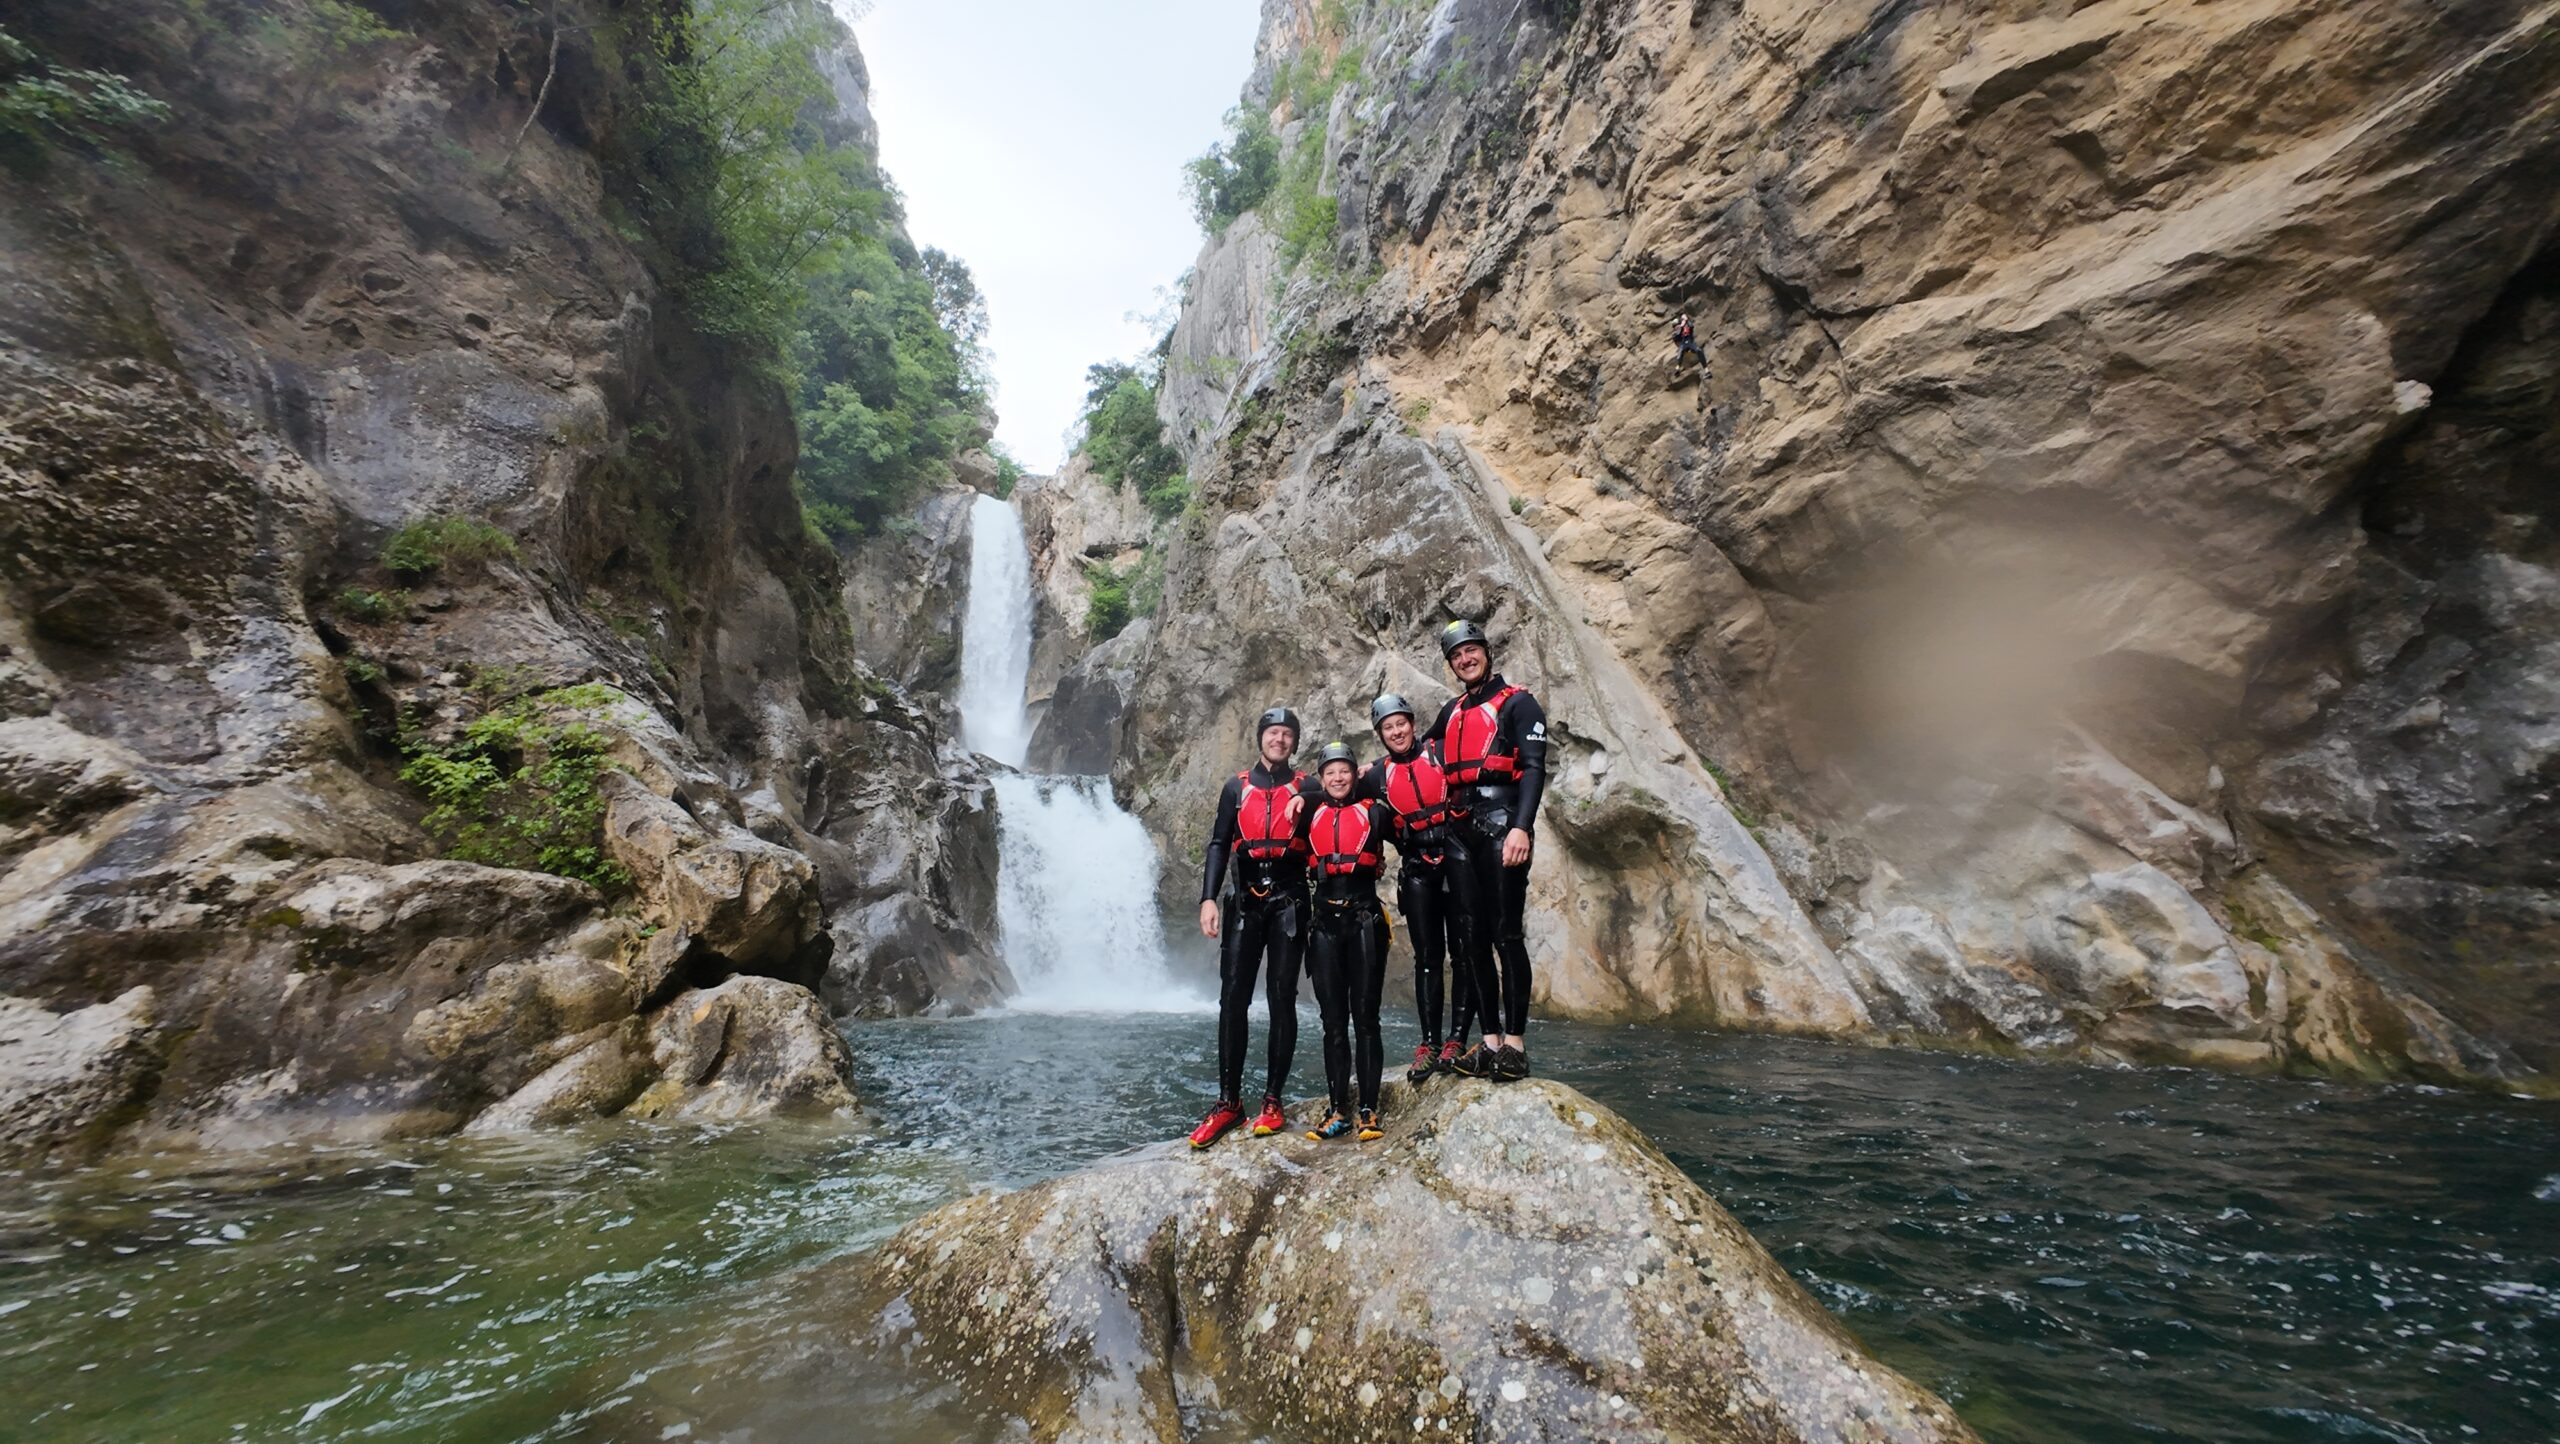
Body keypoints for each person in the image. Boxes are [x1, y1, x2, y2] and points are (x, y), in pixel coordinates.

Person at [1425, 620, 1549, 1082]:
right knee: (1471, 939)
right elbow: (1417, 754)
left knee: (1505, 934)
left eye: (1471, 650)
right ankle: (1490, 1041)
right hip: (1459, 831)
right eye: (1457, 655)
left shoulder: (1518, 702)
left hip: (1501, 825)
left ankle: (1515, 1045)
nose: (1465, 659)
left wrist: (1523, 827)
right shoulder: (1452, 710)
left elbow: (1534, 768)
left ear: (1486, 653)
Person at [1190, 706, 1318, 1148]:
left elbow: (1346, 793)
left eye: (1286, 734)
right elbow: (1219, 842)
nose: (1278, 740)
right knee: (1233, 999)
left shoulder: (1309, 785)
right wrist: (1208, 898)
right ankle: (1228, 1102)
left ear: (1294, 742)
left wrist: (1313, 799)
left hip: (1289, 900)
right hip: (1244, 901)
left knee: (1282, 997)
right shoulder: (1236, 787)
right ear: (1260, 738)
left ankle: (1273, 1100)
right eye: (1272, 733)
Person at [1364, 693, 1478, 1084]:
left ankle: (1457, 1040)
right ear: (1380, 734)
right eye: (1387, 727)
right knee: (1428, 958)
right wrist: (1300, 798)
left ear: (1412, 723)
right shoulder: (1376, 776)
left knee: (1464, 952)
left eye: (1400, 723)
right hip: (1416, 869)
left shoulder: (1440, 752)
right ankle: (1429, 1043)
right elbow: (1337, 792)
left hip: (1456, 860)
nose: (1396, 731)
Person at [1300, 741, 1392, 1143]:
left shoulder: (1375, 812)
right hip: (1323, 926)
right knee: (1332, 1023)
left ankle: (1368, 1110)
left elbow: (1418, 834)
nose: (1338, 778)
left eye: (1345, 770)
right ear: (1322, 778)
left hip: (1364, 922)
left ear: (1355, 774)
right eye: (1330, 771)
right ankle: (1338, 1108)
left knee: (1366, 1019)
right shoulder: (1307, 812)